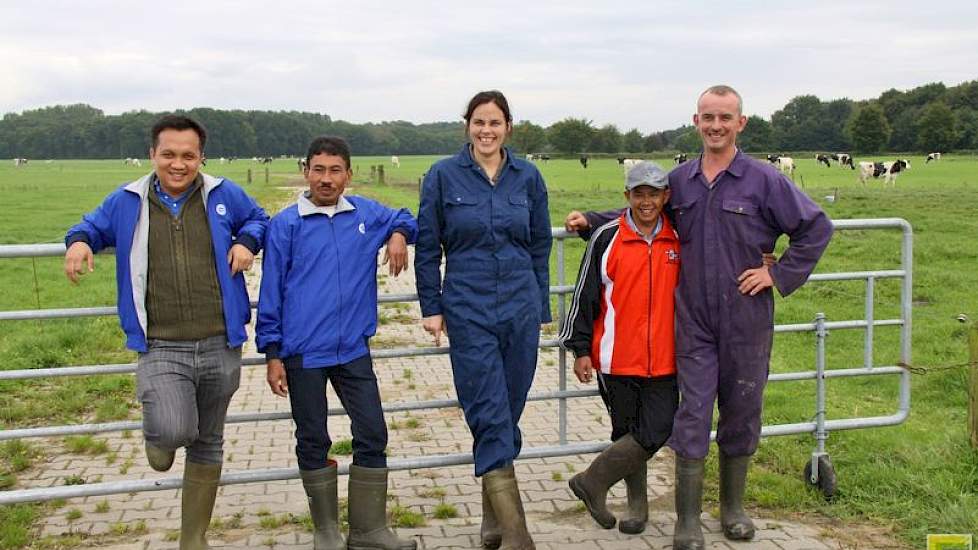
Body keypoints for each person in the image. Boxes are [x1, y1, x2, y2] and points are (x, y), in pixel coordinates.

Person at [565, 85, 833, 550]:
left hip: (746, 317)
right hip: (692, 322)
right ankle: (686, 521)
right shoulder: (683, 179)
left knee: (742, 410)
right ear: (696, 121)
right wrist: (590, 220)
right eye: (708, 117)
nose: (715, 125)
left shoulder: (764, 179)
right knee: (692, 414)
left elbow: (815, 227)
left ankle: (732, 510)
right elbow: (643, 206)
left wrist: (779, 274)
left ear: (740, 123)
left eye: (725, 118)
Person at [63, 115, 269, 550]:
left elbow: (259, 218)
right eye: (169, 154)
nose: (179, 164)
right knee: (174, 429)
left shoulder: (222, 193)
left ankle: (193, 539)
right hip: (160, 344)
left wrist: (247, 241)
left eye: (188, 155)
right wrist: (79, 242)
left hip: (220, 340)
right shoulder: (127, 200)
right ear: (153, 155)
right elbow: (88, 226)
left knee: (209, 441)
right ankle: (158, 438)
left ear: (201, 158)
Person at [256, 136, 418, 550]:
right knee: (312, 438)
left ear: (349, 174)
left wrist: (398, 234)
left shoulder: (365, 214)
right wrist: (273, 353)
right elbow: (271, 291)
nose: (326, 179)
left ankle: (368, 530)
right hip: (303, 353)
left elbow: (406, 216)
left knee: (373, 432)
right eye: (318, 170)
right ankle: (326, 531)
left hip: (353, 351)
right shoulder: (286, 225)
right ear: (306, 171)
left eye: (335, 170)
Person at [415, 90, 552, 550]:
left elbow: (540, 247)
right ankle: (517, 534)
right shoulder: (442, 176)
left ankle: (493, 522)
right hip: (467, 307)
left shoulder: (528, 177)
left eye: (495, 123)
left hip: (520, 305)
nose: (486, 131)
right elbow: (428, 247)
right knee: (488, 411)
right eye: (479, 122)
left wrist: (541, 309)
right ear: (467, 126)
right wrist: (431, 307)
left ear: (508, 127)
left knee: (509, 410)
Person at [558, 161, 680, 535]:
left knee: (657, 428)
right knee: (624, 430)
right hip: (614, 356)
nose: (646, 201)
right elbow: (585, 295)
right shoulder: (607, 237)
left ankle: (592, 481)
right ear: (627, 196)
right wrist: (580, 349)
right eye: (638, 194)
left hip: (665, 358)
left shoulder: (678, 238)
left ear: (666, 197)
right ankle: (637, 509)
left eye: (654, 194)